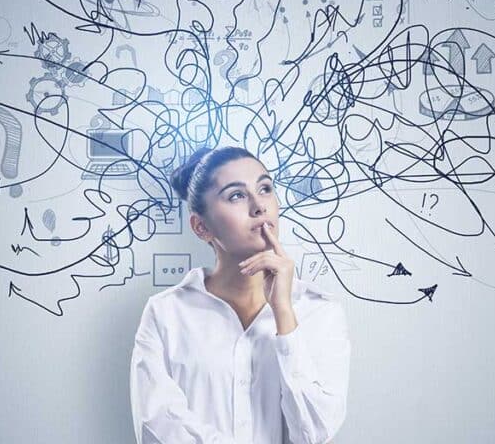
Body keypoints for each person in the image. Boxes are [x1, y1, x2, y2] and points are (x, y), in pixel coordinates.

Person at [130, 146, 350, 443]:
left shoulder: (320, 312)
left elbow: (314, 434)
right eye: (236, 195)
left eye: (265, 188)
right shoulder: (166, 313)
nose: (259, 206)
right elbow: (157, 427)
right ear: (201, 226)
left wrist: (284, 313)